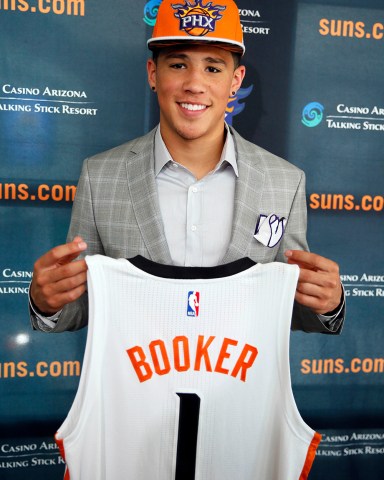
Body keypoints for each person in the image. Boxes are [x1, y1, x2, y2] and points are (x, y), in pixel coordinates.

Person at [29, 0, 344, 334]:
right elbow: (80, 307)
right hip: (137, 384)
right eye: (178, 65)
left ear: (235, 81)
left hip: (238, 385)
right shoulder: (100, 176)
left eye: (213, 68)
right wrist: (47, 302)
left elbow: (292, 309)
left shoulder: (285, 181)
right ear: (153, 73)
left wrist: (328, 304)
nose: (195, 84)